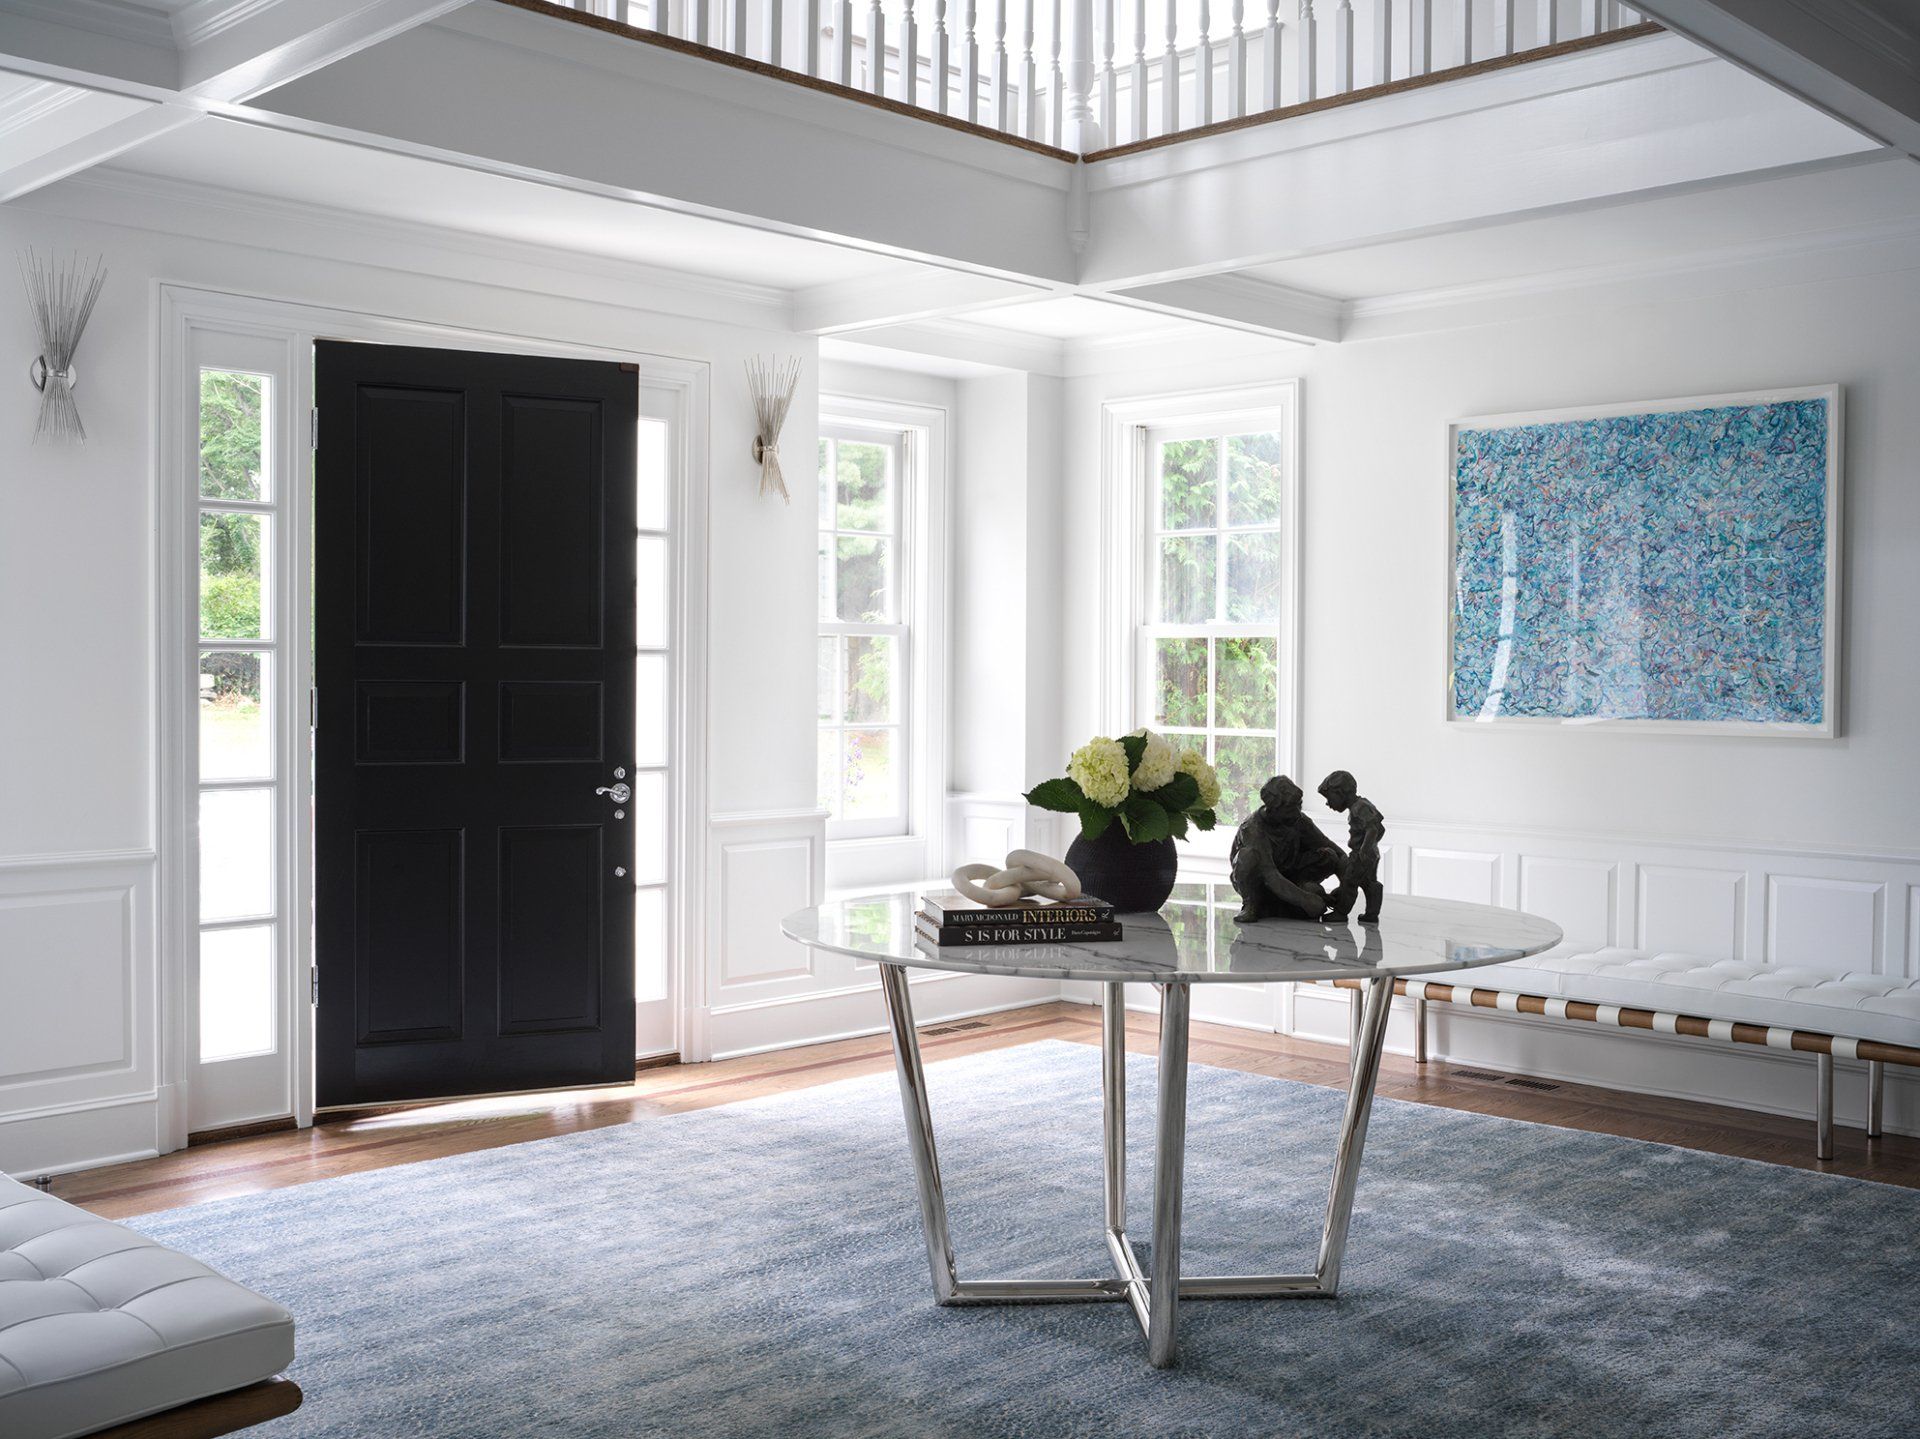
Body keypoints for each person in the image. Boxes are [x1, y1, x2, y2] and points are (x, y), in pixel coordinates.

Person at [1229, 776, 1345, 923]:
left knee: (1329, 855)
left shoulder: (1298, 820)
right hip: (1262, 882)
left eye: (1299, 805)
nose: (1297, 812)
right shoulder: (1253, 829)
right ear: (1273, 809)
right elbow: (1270, 875)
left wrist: (1347, 885)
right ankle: (1251, 904)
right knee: (1247, 857)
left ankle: (1297, 893)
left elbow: (1330, 847)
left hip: (1290, 875)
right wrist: (1305, 900)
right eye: (1290, 808)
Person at [1318, 770, 1385, 925]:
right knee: (1367, 882)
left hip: (1361, 854)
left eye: (1329, 798)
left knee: (1349, 882)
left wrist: (1364, 849)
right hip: (1370, 853)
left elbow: (1373, 829)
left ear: (1340, 793)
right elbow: (1380, 829)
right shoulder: (1363, 804)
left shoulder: (1359, 808)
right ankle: (1372, 913)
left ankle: (1341, 913)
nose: (1328, 803)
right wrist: (1372, 847)